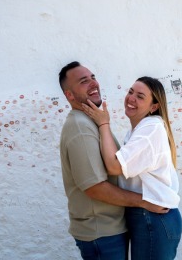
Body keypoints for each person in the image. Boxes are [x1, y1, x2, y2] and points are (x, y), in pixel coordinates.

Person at [58, 62, 167, 260]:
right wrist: (145, 203)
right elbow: (94, 187)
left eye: (93, 77)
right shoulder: (81, 127)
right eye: (84, 81)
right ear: (70, 95)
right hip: (101, 232)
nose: (93, 83)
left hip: (110, 229)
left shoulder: (93, 122)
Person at [82, 76, 182, 260]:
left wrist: (103, 123)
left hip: (153, 217)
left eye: (140, 96)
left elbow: (114, 166)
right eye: (130, 92)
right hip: (148, 216)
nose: (131, 98)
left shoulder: (150, 129)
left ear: (154, 107)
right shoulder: (140, 129)